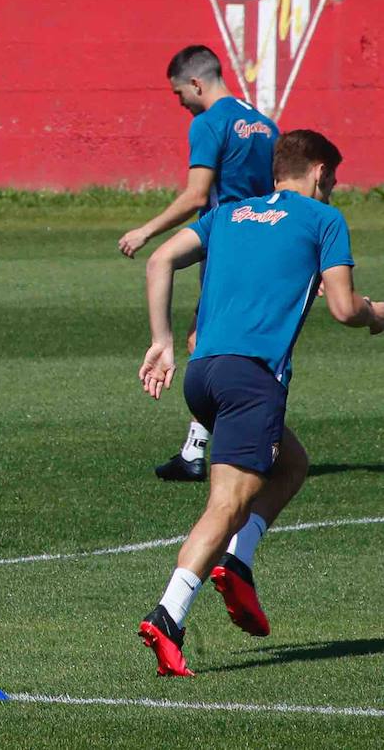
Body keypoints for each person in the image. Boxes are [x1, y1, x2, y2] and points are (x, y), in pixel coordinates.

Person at [134, 129, 383, 676]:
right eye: (334, 180)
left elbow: (159, 261)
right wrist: (377, 314)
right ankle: (168, 616)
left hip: (203, 376)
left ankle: (238, 565)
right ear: (319, 171)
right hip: (251, 380)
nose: (334, 190)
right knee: (225, 507)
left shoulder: (231, 214)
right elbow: (343, 308)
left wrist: (162, 341)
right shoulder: (323, 221)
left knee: (291, 463)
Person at [120, 46, 278, 482]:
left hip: (226, 242)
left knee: (216, 346)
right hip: (266, 240)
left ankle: (232, 447)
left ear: (196, 83)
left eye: (178, 94)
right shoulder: (265, 124)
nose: (180, 104)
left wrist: (146, 230)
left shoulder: (209, 123)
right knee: (206, 339)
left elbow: (195, 195)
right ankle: (197, 449)